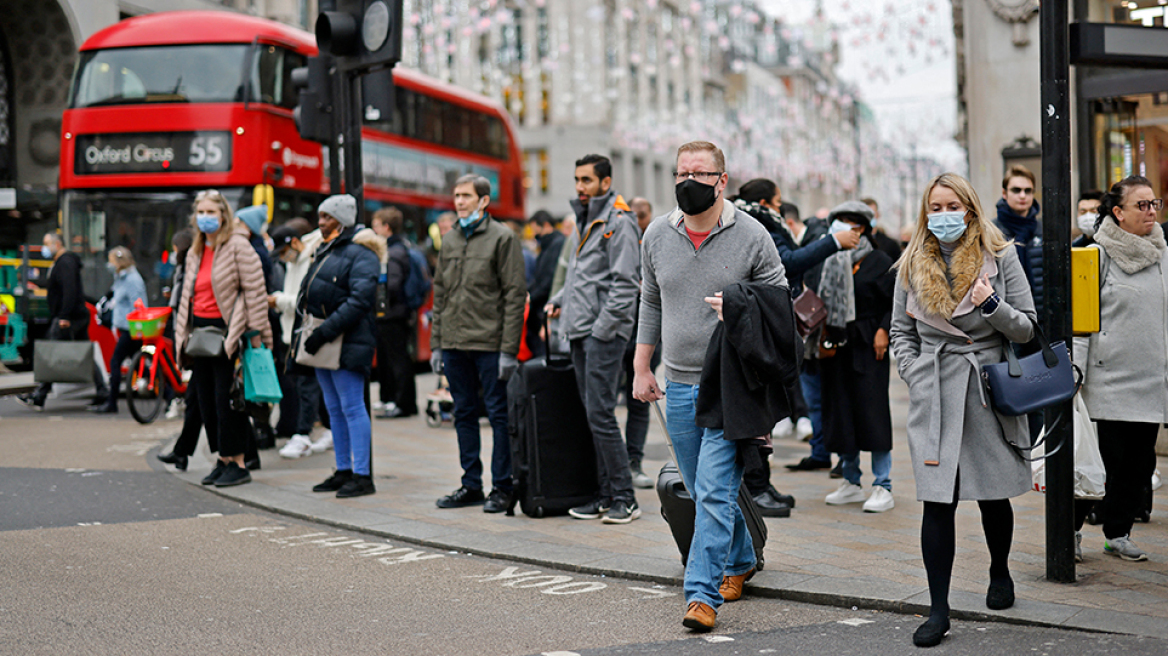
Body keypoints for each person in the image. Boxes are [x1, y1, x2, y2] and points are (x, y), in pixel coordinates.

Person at [634, 140, 786, 632]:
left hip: (731, 385)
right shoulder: (657, 234)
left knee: (716, 490)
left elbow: (779, 301)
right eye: (682, 173)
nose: (688, 182)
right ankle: (740, 559)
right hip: (677, 383)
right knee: (703, 491)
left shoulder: (752, 234)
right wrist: (641, 367)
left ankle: (701, 594)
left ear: (722, 181)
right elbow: (651, 300)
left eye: (699, 174)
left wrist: (741, 308)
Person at [890, 173, 1036, 648]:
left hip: (985, 387)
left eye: (952, 206)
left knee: (994, 494)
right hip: (935, 391)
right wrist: (915, 373)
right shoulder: (911, 261)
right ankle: (938, 608)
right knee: (937, 501)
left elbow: (1027, 328)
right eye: (935, 207)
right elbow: (900, 332)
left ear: (970, 209)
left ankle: (1000, 571)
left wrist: (990, 304)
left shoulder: (1001, 255)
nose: (943, 215)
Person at [1074, 175, 1168, 563]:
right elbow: (1080, 323)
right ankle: (1070, 531)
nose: (1151, 211)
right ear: (1118, 212)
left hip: (1150, 382)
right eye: (1141, 205)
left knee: (1138, 466)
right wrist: (1075, 373)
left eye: (1154, 203)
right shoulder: (1093, 255)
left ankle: (1118, 532)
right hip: (1106, 382)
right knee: (1096, 465)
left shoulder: (1162, 253)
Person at [547, 154, 642, 524]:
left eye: (586, 180)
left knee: (601, 414)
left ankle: (625, 498)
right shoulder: (586, 218)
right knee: (594, 415)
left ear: (605, 182)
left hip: (601, 333)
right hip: (581, 328)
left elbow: (625, 283)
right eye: (577, 180)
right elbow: (582, 277)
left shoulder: (619, 221)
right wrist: (559, 300)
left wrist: (602, 329)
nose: (580, 187)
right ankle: (605, 495)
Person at [431, 175, 526, 514]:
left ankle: (502, 487)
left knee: (498, 415)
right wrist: (437, 344)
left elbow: (514, 295)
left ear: (484, 201)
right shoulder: (450, 239)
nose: (459, 201)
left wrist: (508, 351)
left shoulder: (503, 237)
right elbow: (440, 293)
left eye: (466, 196)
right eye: (456, 195)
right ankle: (471, 484)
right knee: (463, 413)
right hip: (455, 342)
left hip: (490, 344)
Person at [173, 189, 272, 487]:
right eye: (201, 212)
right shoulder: (196, 250)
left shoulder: (238, 246)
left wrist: (257, 336)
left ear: (223, 216)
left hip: (229, 334)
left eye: (211, 212)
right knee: (206, 403)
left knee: (228, 401)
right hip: (200, 336)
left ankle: (239, 463)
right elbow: (188, 295)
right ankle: (223, 459)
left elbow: (255, 292)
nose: (205, 218)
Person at [293, 195, 383, 498]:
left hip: (346, 341)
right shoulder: (327, 249)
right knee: (334, 408)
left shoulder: (363, 254)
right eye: (320, 216)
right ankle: (343, 469)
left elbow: (360, 300)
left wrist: (324, 333)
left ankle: (362, 476)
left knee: (352, 407)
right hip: (325, 339)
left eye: (327, 217)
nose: (321, 222)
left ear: (342, 220)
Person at [811, 201, 895, 513]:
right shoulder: (829, 257)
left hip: (868, 345)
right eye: (841, 221)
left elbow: (894, 301)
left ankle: (883, 484)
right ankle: (850, 479)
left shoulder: (879, 260)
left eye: (853, 222)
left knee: (873, 412)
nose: (847, 227)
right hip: (835, 344)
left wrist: (884, 330)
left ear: (865, 228)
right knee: (840, 412)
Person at [20, 231, 105, 411]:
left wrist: (64, 316)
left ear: (57, 244)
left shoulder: (65, 262)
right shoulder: (64, 262)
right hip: (74, 315)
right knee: (83, 354)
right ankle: (102, 392)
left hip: (68, 317)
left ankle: (39, 396)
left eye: (46, 243)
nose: (44, 248)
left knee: (51, 352)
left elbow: (69, 290)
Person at [270, 219, 330, 458]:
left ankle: (303, 434)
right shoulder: (294, 262)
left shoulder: (309, 261)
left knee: (307, 386)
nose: (282, 257)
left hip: (304, 331)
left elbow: (303, 300)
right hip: (292, 332)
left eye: (283, 251)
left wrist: (278, 300)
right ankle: (327, 429)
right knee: (312, 385)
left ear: (295, 243)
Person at [623, 197, 659, 489]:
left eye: (642, 215)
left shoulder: (658, 241)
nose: (637, 221)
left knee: (639, 401)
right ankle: (611, 466)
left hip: (646, 337)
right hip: (617, 332)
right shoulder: (620, 241)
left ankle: (633, 462)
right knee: (602, 404)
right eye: (632, 215)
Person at [370, 207, 418, 419]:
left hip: (392, 314)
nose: (374, 230)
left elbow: (392, 285)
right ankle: (393, 399)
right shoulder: (398, 248)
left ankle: (403, 404)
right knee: (391, 359)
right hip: (393, 313)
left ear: (386, 227)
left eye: (376, 225)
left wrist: (375, 295)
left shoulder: (394, 252)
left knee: (397, 360)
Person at [88, 246, 147, 414]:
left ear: (120, 262)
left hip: (131, 328)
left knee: (116, 362)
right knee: (138, 363)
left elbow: (138, 305)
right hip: (125, 327)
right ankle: (169, 393)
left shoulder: (132, 280)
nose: (109, 264)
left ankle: (111, 403)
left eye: (111, 261)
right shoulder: (121, 278)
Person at [526, 210, 566, 358]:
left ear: (546, 225)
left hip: (547, 312)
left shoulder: (555, 245)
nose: (535, 235)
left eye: (536, 230)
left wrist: (531, 297)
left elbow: (549, 280)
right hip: (543, 311)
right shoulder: (550, 245)